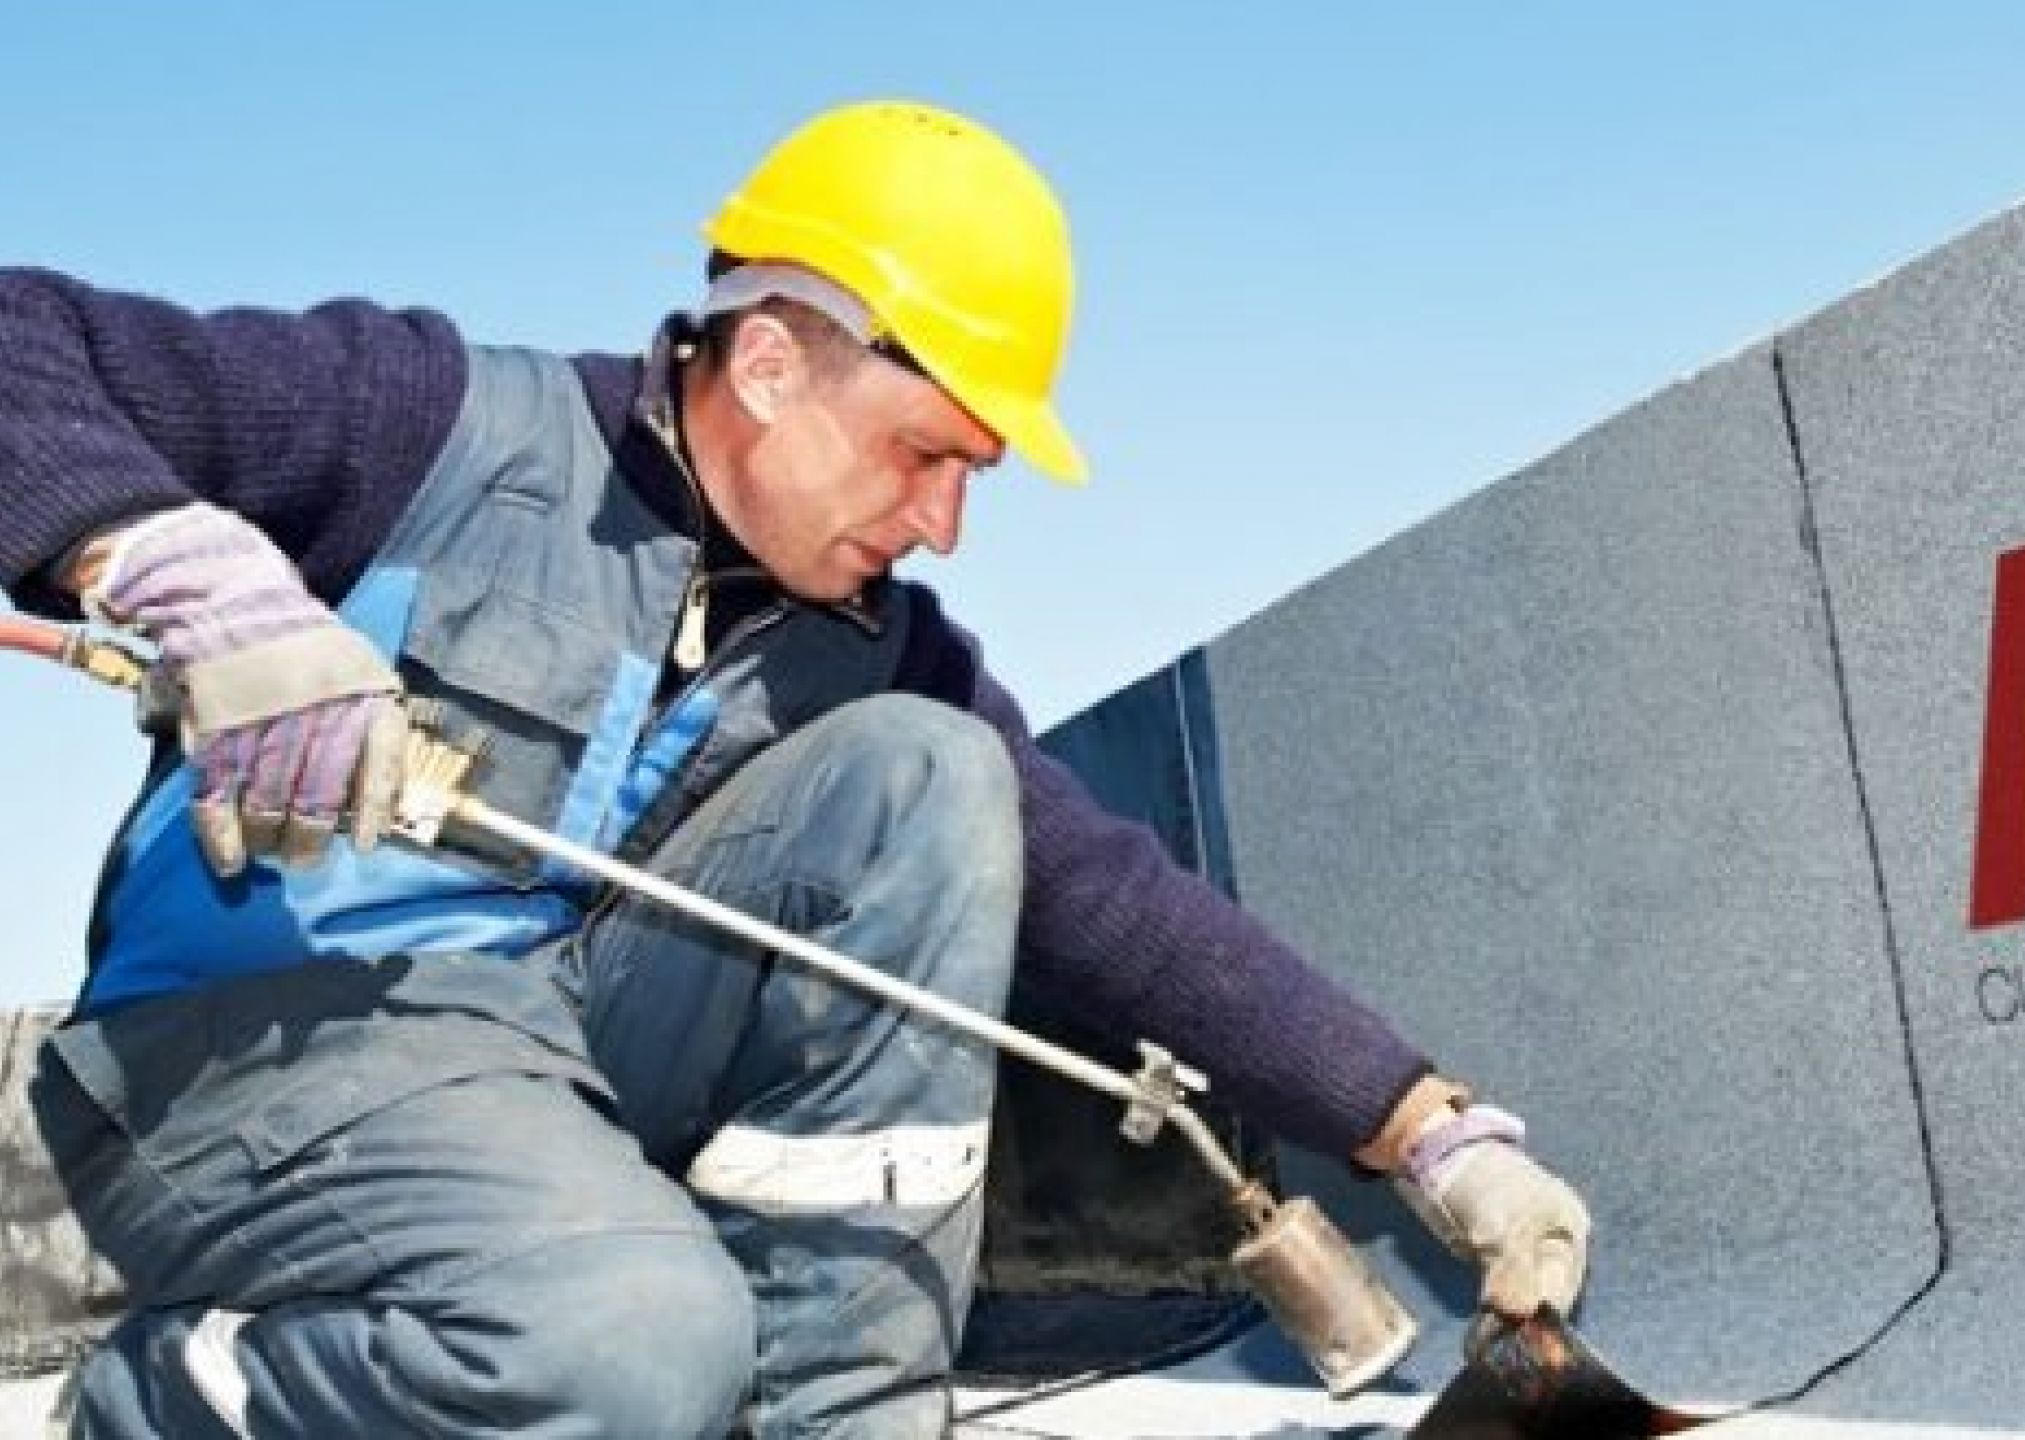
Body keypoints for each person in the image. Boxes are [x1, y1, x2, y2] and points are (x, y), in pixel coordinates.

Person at [1, 101, 1591, 1438]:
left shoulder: (874, 645)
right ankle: (165, 1398)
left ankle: (829, 1417)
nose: (943, 524)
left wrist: (1424, 1130)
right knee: (634, 1351)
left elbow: (1118, 908)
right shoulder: (431, 422)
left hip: (541, 1052)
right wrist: (171, 559)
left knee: (935, 775)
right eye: (925, 454)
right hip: (239, 1054)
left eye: (972, 477)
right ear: (768, 365)